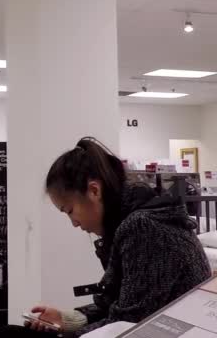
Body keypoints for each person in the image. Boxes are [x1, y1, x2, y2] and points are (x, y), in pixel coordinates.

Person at [26, 137, 211, 337]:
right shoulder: (135, 222)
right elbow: (119, 306)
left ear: (94, 190)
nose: (74, 223)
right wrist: (67, 319)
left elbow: (130, 321)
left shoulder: (144, 227)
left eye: (70, 211)